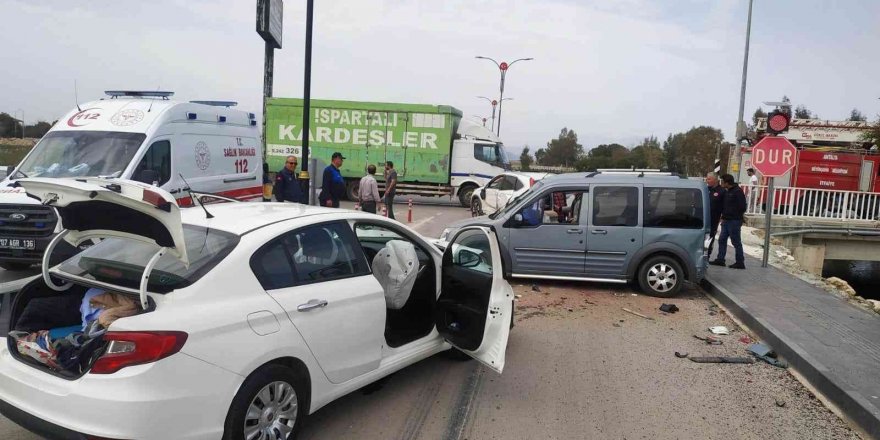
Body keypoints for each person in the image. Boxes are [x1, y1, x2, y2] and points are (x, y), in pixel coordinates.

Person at [710, 174, 747, 269]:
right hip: (726, 220)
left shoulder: (737, 192)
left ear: (727, 182)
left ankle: (740, 262)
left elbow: (742, 207)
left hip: (734, 221)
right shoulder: (727, 191)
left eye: (722, 181)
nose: (721, 183)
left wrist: (733, 214)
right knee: (722, 239)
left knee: (736, 242)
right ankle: (720, 259)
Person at [705, 172, 726, 258]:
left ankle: (707, 254)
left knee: (710, 237)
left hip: (714, 219)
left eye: (709, 179)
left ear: (715, 180)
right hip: (703, 218)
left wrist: (723, 216)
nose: (707, 180)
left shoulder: (722, 191)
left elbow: (725, 206)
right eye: (707, 178)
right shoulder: (706, 189)